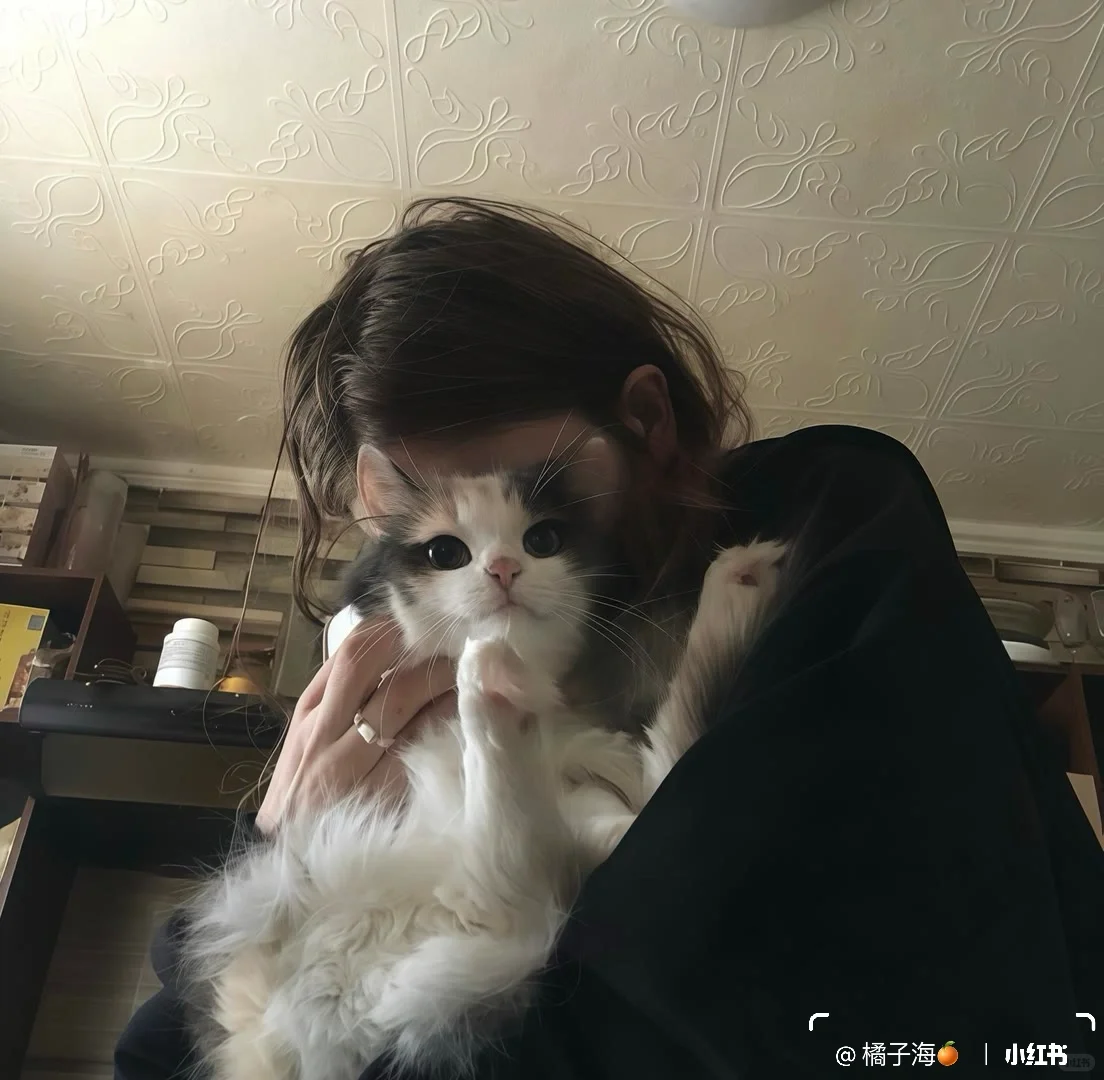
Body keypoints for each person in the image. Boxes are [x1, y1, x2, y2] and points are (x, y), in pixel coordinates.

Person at [115, 198, 1103, 1079]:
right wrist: (280, 842)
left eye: (534, 501)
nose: (493, 574)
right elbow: (162, 1052)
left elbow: (739, 985)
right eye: (425, 531)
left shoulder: (815, 515)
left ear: (645, 420)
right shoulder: (413, 682)